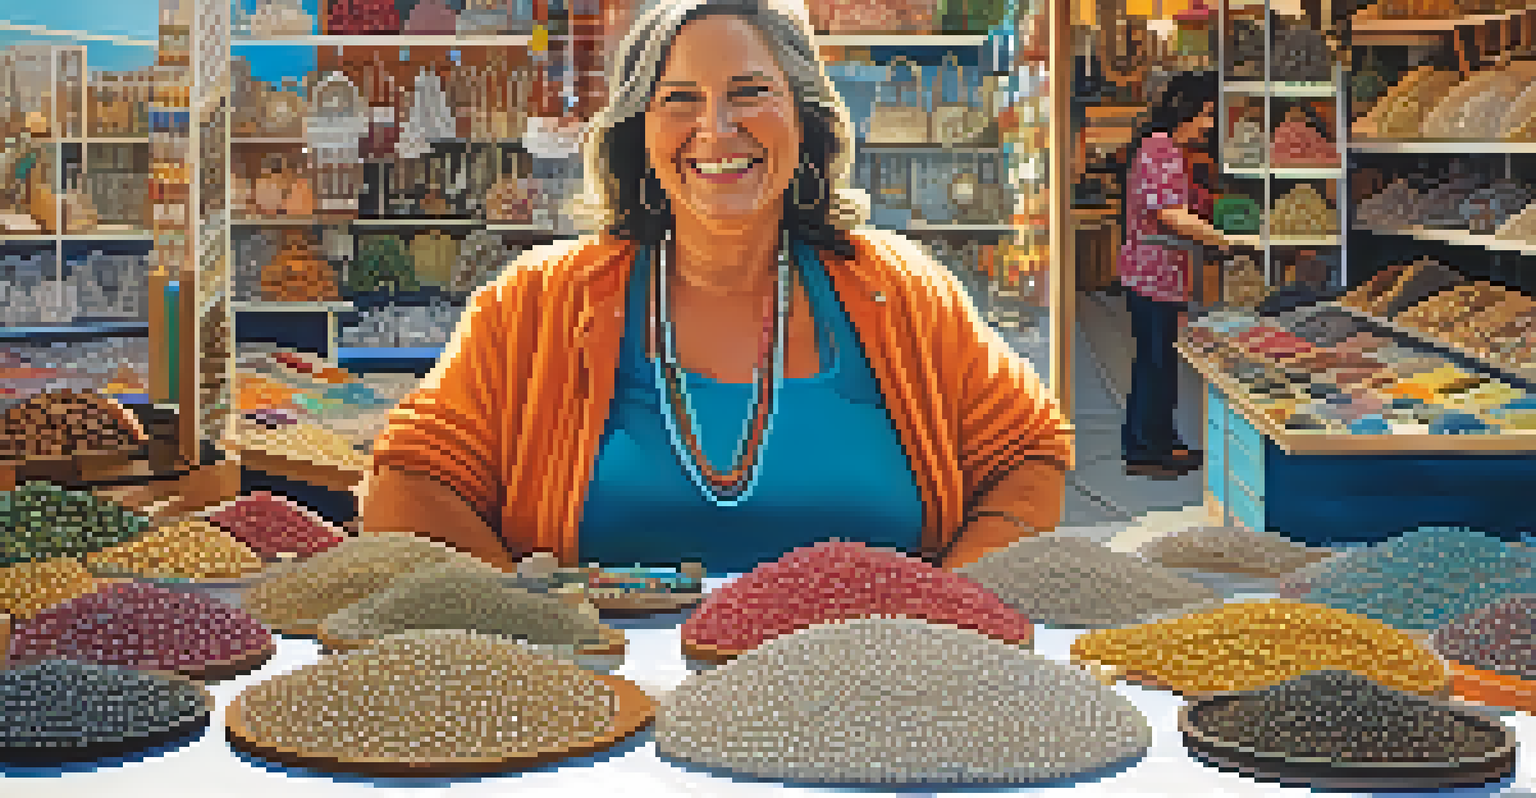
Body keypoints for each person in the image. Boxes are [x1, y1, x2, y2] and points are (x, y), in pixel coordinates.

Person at [359, 0, 1074, 575]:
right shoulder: (538, 301)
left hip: (880, 718)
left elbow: (1028, 454)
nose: (716, 129)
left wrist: (958, 606)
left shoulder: (903, 291)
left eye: (750, 93)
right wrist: (532, 629)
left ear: (806, 117)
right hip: (610, 720)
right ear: (639, 133)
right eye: (680, 100)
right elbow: (411, 482)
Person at [1117, 70, 1226, 480]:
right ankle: (1149, 447)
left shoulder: (1167, 150)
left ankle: (1156, 439)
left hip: (1157, 275)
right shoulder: (1161, 149)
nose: (1209, 124)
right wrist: (1221, 239)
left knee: (1156, 360)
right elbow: (1168, 214)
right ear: (1188, 111)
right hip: (1152, 275)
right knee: (1156, 361)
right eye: (1207, 114)